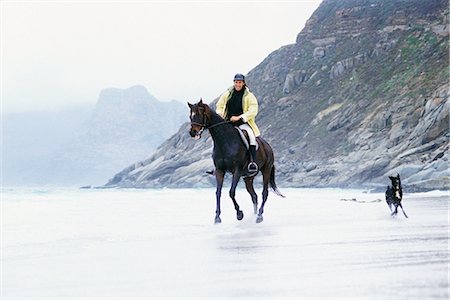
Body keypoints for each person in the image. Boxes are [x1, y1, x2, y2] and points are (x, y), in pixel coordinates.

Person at [216, 73, 260, 174]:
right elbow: (220, 105)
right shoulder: (227, 93)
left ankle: (252, 163)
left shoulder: (249, 96)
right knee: (218, 137)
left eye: (240, 82)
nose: (238, 84)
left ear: (243, 83)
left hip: (242, 123)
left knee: (251, 137)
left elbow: (253, 110)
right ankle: (217, 164)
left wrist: (240, 117)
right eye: (236, 82)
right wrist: (220, 114)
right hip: (228, 123)